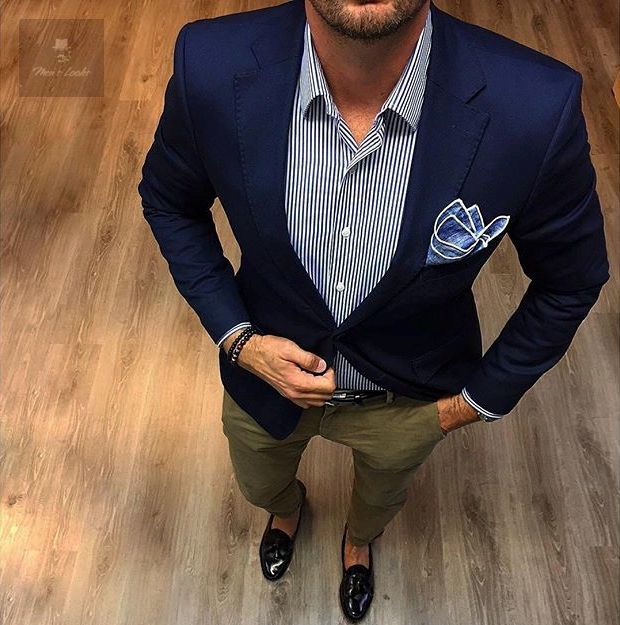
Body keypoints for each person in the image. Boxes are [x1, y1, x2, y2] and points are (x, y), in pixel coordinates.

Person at [137, 0, 610, 620]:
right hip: (263, 378)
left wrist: (472, 403)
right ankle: (286, 511)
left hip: (409, 396)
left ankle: (358, 543)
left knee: (380, 500)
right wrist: (238, 339)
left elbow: (571, 281)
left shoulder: (535, 106)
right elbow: (169, 201)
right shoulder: (209, 62)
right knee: (259, 482)